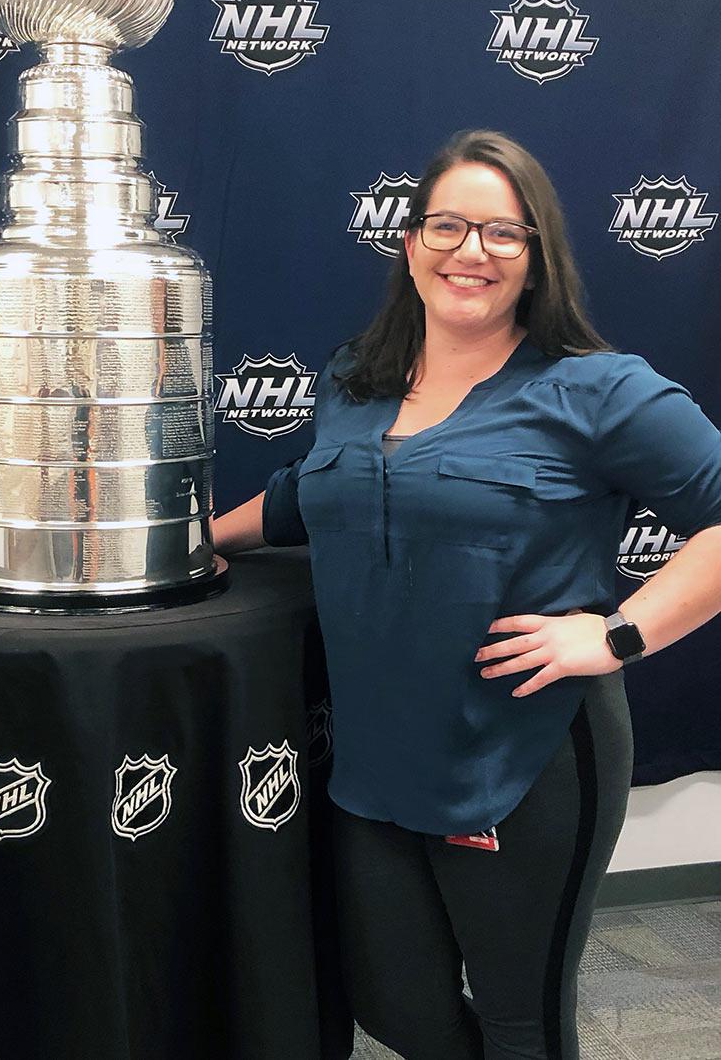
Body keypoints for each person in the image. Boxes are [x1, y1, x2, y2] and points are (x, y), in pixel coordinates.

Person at [211, 130, 721, 1060]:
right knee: (393, 1007)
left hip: (522, 755)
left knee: (520, 1024)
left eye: (502, 233)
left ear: (536, 258)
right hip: (373, 759)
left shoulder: (597, 391)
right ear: (409, 244)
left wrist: (615, 637)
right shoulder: (353, 380)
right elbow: (305, 493)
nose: (469, 251)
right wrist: (198, 543)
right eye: (446, 225)